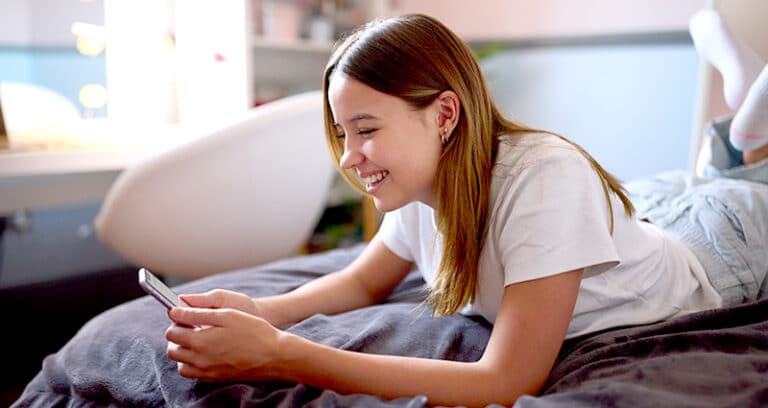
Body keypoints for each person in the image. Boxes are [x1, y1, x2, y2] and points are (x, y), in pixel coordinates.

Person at [164, 12, 768, 407]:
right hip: (645, 226)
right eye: (343, 133)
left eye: (365, 129)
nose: (350, 158)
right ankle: (738, 109)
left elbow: (507, 381)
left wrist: (282, 353)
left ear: (445, 116)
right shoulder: (419, 184)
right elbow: (361, 280)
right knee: (690, 183)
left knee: (745, 184)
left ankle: (743, 105)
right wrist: (258, 310)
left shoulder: (543, 177)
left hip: (715, 254)